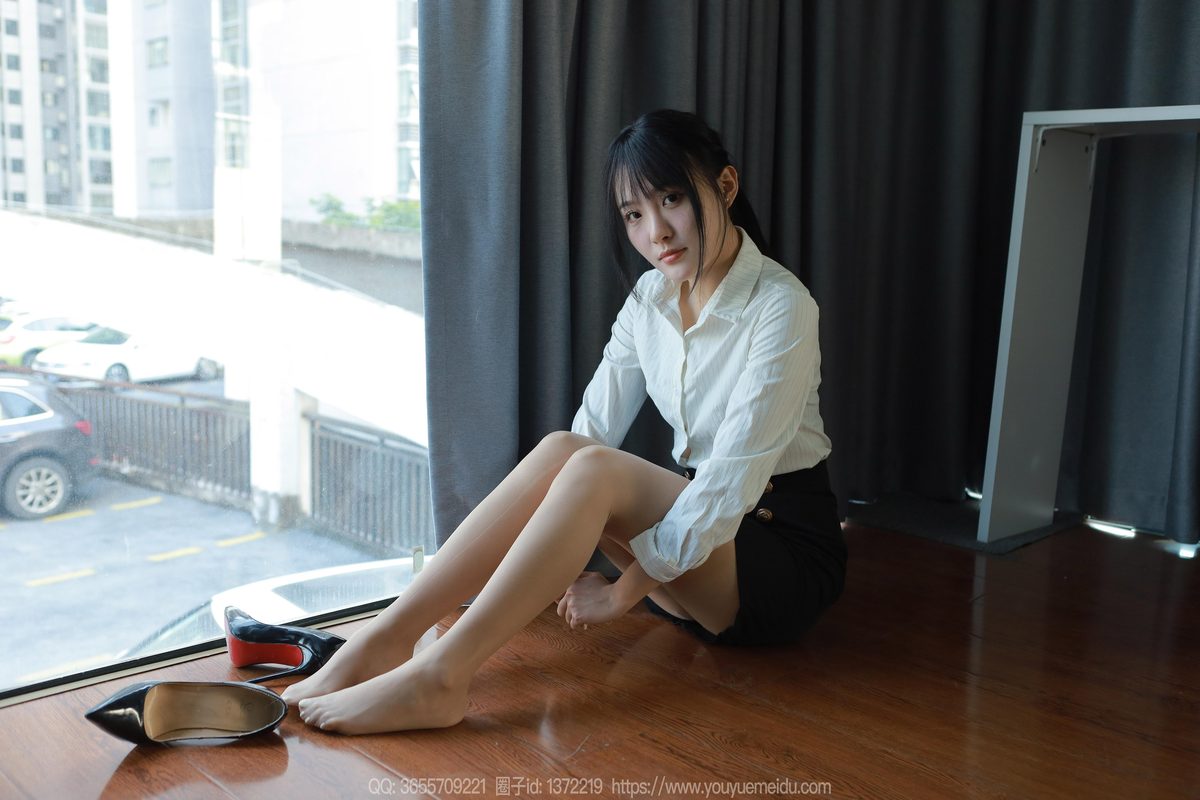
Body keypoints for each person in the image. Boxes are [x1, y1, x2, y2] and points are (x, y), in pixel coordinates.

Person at [285, 109, 847, 735]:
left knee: (595, 469)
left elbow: (727, 487)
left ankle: (441, 677)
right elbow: (584, 442)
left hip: (774, 560)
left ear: (725, 186)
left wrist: (620, 592)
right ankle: (384, 638)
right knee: (566, 449)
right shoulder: (651, 298)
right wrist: (561, 542)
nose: (657, 231)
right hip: (692, 554)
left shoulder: (781, 306)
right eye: (634, 214)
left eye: (671, 199)